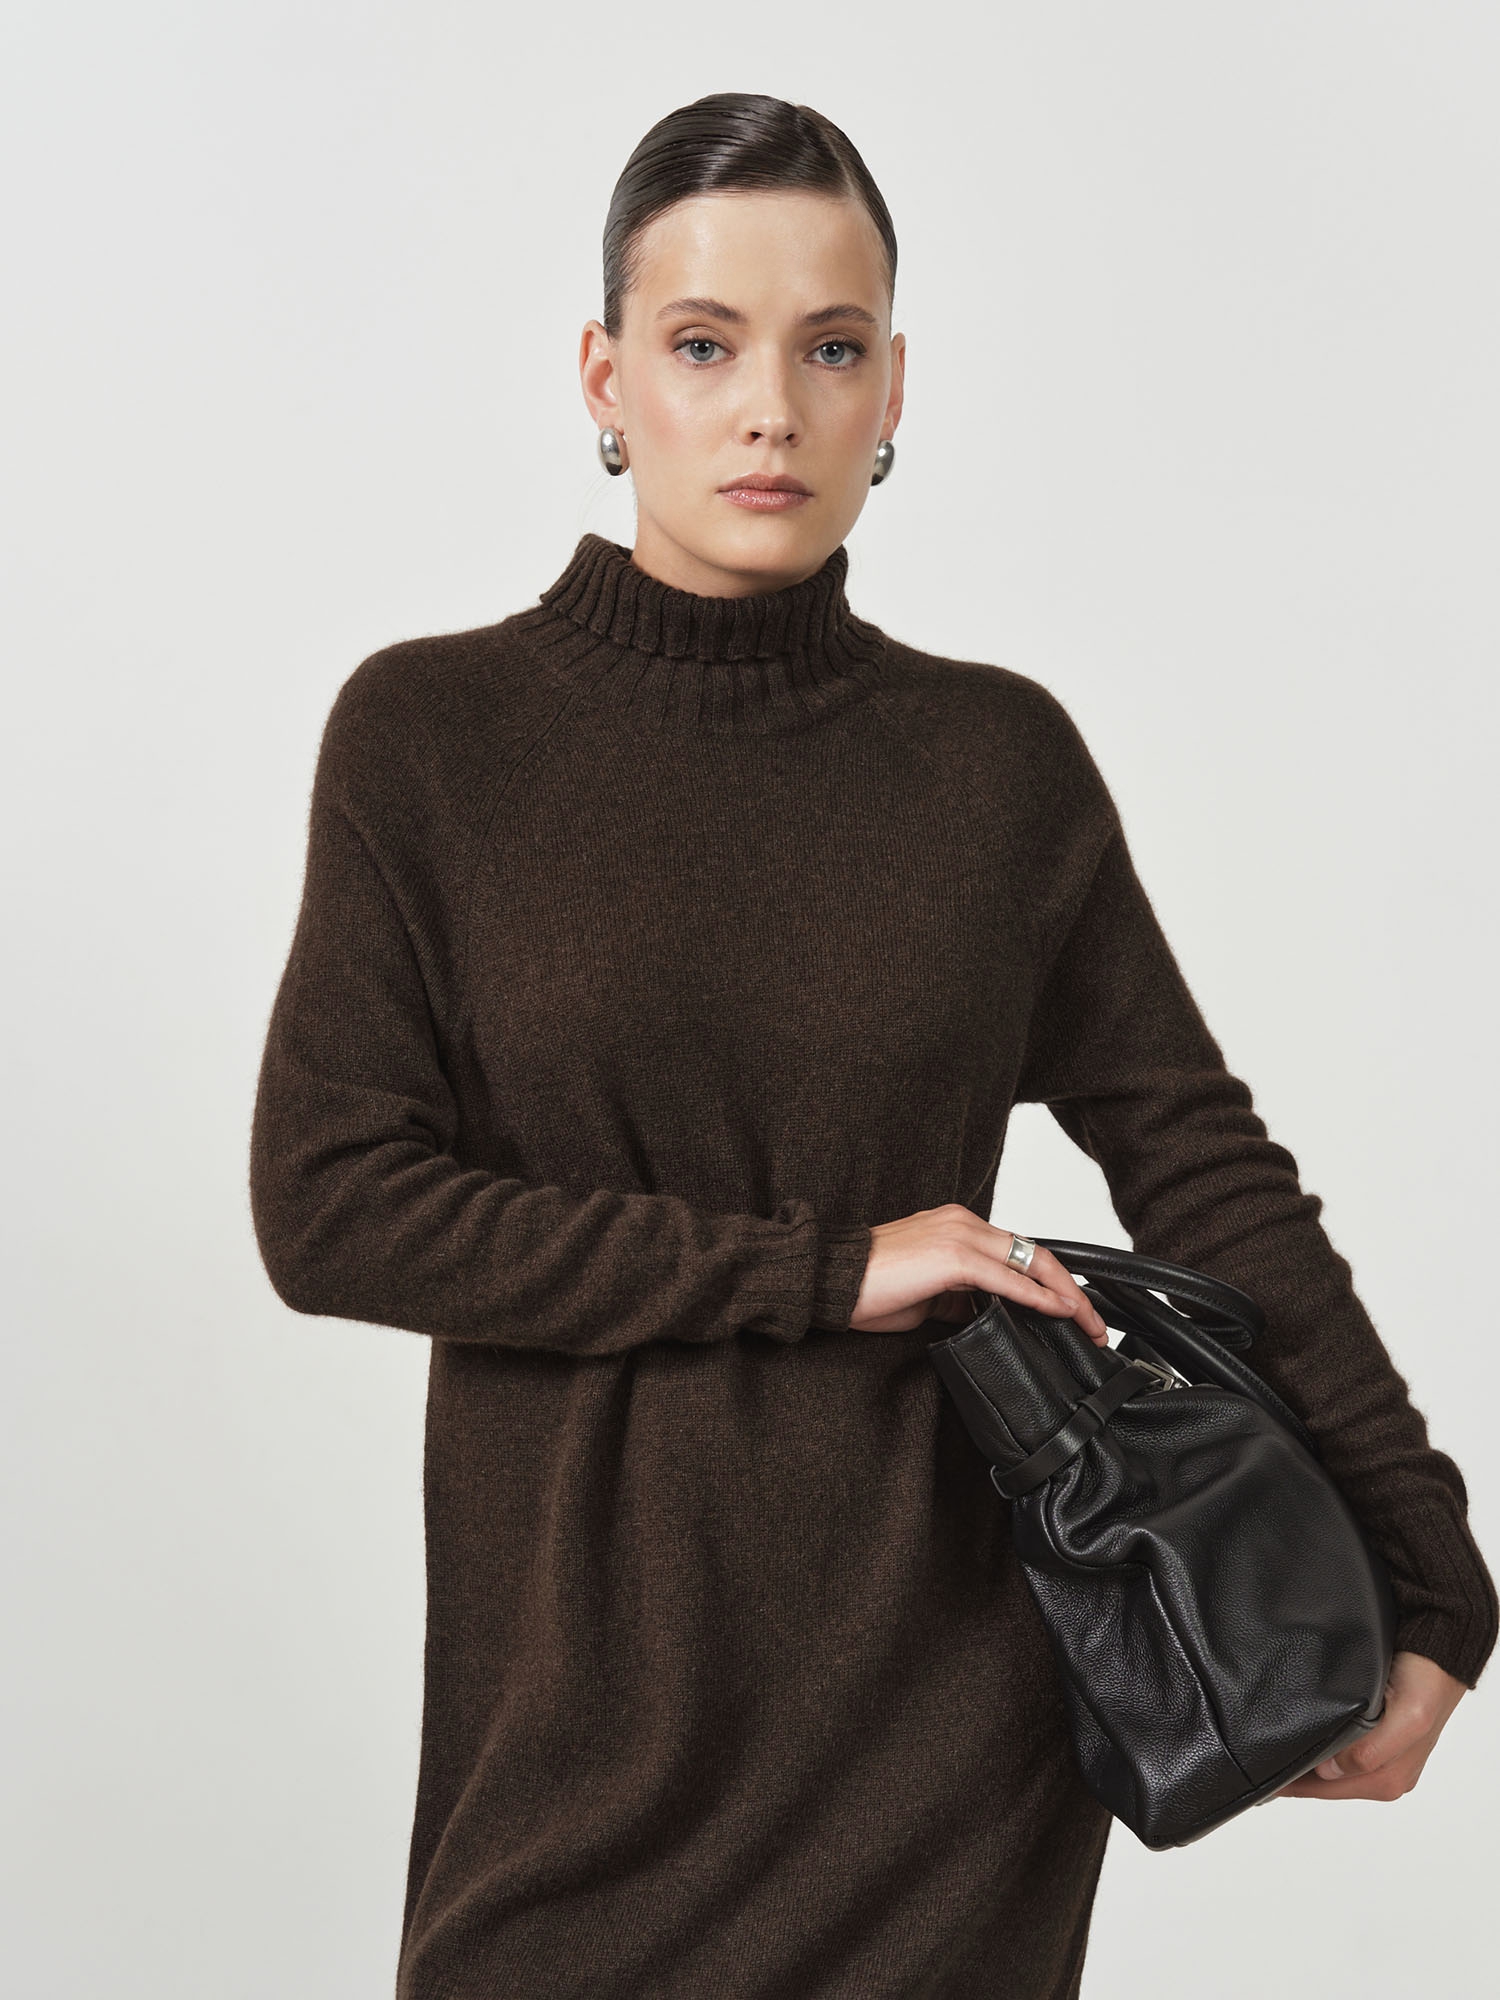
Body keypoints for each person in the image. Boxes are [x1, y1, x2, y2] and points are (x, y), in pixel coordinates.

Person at [248, 92, 1496, 2000]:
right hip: (579, 1720)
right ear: (605, 377)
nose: (772, 408)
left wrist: (1434, 1578)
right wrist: (828, 1269)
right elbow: (333, 1207)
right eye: (704, 345)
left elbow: (1206, 1168)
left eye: (830, 349)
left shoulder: (996, 767)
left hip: (951, 1738)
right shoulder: (433, 740)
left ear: (893, 387)